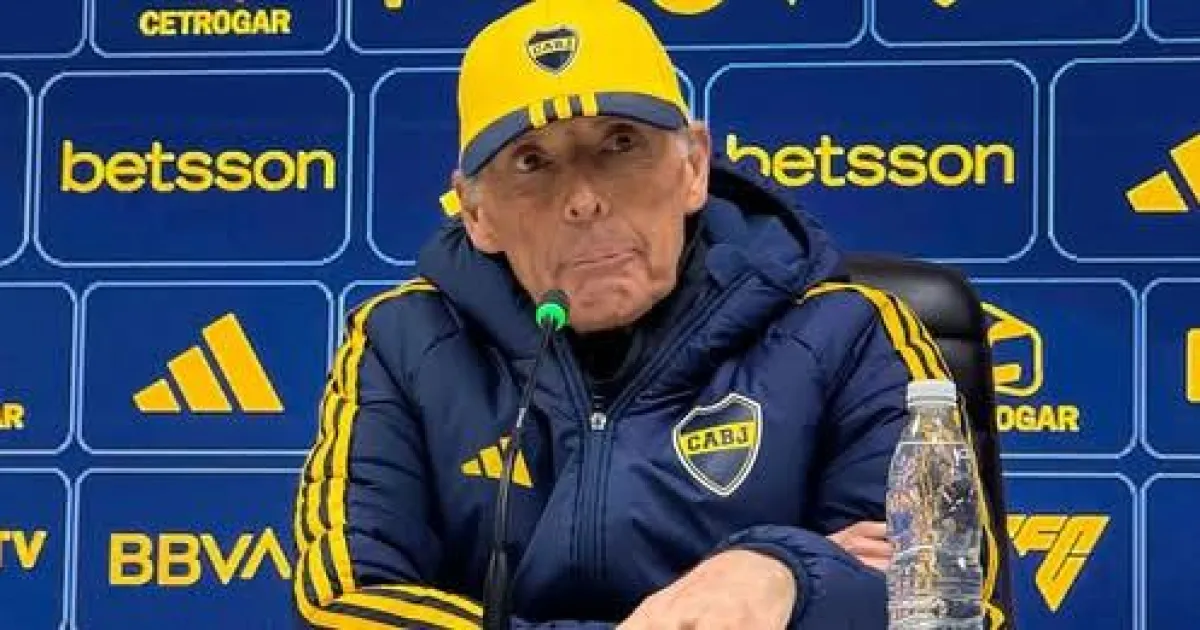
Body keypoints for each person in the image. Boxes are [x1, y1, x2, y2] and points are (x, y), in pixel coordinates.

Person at [291, 0, 1008, 628]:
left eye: (620, 144)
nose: (583, 200)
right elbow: (344, 606)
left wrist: (781, 573)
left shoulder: (850, 332)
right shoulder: (401, 341)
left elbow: (955, 602)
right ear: (476, 213)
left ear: (694, 165)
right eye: (532, 162)